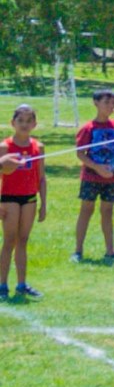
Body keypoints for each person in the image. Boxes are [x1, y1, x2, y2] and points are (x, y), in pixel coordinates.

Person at [73, 87, 114, 262]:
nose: (110, 106)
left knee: (107, 212)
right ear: (96, 103)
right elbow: (80, 153)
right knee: (86, 210)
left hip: (112, 178)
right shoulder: (88, 128)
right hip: (91, 177)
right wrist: (97, 168)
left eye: (113, 103)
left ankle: (110, 250)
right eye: (106, 102)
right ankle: (78, 251)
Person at [1, 104, 47, 299]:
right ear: (13, 123)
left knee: (23, 240)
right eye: (20, 120)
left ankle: (22, 283)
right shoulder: (5, 147)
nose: (24, 124)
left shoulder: (39, 147)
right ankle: (2, 284)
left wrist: (43, 203)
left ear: (34, 124)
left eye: (29, 121)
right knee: (9, 240)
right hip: (9, 198)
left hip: (29, 198)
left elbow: (42, 177)